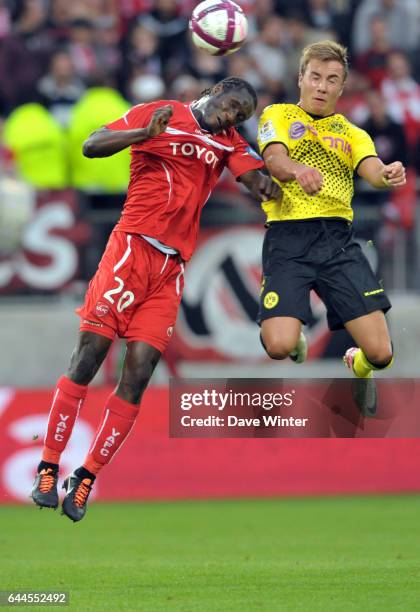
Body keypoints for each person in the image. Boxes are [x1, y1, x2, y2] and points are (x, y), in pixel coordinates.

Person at [31, 77, 280, 522]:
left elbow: (256, 181)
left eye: (242, 115)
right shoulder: (162, 113)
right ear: (216, 89)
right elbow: (93, 144)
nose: (232, 117)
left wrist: (280, 186)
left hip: (171, 270)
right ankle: (48, 465)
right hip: (130, 249)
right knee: (89, 358)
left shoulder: (227, 143)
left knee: (140, 372)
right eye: (231, 106)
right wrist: (142, 135)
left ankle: (86, 476)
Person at [256, 41, 406, 412]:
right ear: (301, 79)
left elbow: (372, 170)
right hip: (288, 238)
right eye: (316, 77)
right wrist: (297, 170)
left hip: (337, 241)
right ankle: (294, 340)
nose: (322, 86)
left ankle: (357, 364)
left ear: (342, 87)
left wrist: (388, 175)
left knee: (382, 354)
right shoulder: (277, 115)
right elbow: (275, 160)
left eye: (332, 80)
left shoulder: (353, 133)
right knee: (278, 345)